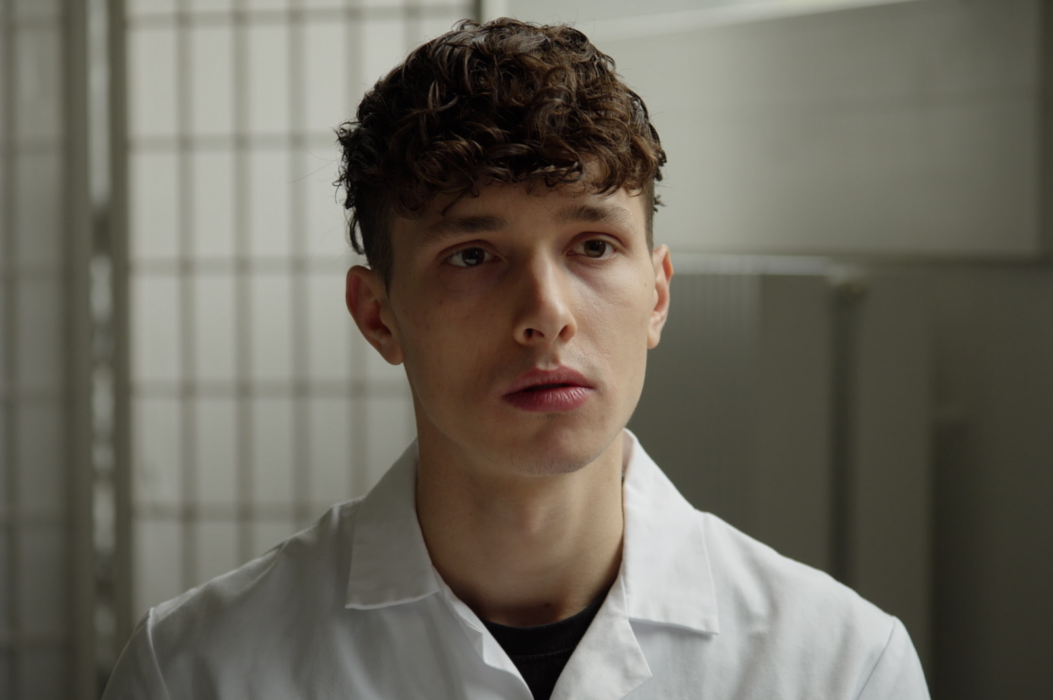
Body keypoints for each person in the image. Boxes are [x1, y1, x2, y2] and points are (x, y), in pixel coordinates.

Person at [102, 18, 930, 700]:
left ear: (658, 295)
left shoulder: (838, 668)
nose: (547, 316)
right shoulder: (193, 672)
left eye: (593, 245)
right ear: (377, 314)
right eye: (471, 256)